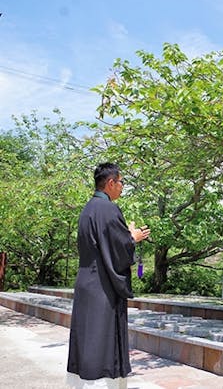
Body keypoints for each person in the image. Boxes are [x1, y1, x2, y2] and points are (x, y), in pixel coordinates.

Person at [67, 163, 150, 389]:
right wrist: (132, 238)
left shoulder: (88, 209)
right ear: (111, 183)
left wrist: (127, 238)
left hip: (87, 283)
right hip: (102, 287)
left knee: (86, 338)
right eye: (121, 182)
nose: (122, 187)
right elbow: (118, 249)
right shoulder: (109, 209)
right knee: (102, 341)